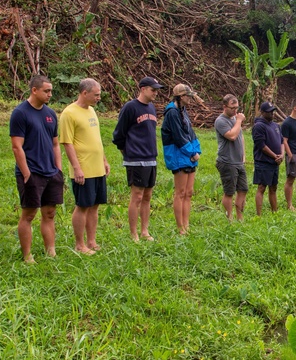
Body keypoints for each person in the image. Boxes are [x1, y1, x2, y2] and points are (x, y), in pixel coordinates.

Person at [10, 75, 63, 263]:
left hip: (51, 172)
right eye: (46, 91)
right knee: (29, 214)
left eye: (51, 91)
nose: (50, 94)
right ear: (34, 90)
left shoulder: (50, 114)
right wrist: (26, 173)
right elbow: (17, 146)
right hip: (32, 172)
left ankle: (51, 251)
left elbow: (55, 144)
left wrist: (59, 170)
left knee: (49, 213)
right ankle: (27, 255)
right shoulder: (20, 113)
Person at [59, 78, 109, 255]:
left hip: (97, 167)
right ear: (84, 93)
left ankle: (91, 241)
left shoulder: (92, 111)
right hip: (83, 168)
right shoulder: (69, 113)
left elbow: (96, 139)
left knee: (95, 205)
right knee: (83, 205)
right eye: (96, 95)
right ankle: (80, 244)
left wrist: (103, 160)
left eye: (99, 95)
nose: (98, 98)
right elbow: (67, 143)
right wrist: (77, 167)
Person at [113, 77, 162, 242]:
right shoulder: (130, 107)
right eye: (152, 89)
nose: (155, 93)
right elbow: (119, 134)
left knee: (148, 195)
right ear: (142, 89)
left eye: (156, 90)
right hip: (136, 159)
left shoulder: (152, 107)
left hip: (151, 157)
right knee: (137, 196)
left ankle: (144, 231)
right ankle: (133, 233)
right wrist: (127, 152)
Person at [162, 84, 203, 235]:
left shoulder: (183, 110)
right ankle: (180, 228)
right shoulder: (172, 113)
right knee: (180, 192)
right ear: (180, 97)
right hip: (178, 154)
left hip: (189, 154)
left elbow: (190, 132)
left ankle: (187, 225)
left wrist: (196, 149)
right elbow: (178, 136)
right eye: (187, 96)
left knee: (189, 192)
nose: (190, 99)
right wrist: (191, 153)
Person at [215, 94, 247, 222]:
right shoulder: (220, 121)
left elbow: (241, 137)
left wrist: (243, 155)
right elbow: (232, 136)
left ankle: (240, 216)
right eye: (232, 108)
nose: (235, 111)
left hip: (239, 161)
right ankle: (230, 217)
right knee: (229, 191)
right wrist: (239, 120)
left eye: (237, 108)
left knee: (243, 189)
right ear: (224, 107)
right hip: (227, 161)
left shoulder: (234, 119)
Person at [252, 101, 284, 215]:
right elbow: (261, 146)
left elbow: (281, 141)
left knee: (273, 187)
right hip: (263, 161)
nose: (272, 114)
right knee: (261, 187)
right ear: (262, 112)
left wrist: (282, 154)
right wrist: (274, 156)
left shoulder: (276, 126)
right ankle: (259, 214)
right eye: (269, 112)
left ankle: (274, 212)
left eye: (273, 111)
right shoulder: (258, 126)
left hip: (275, 162)